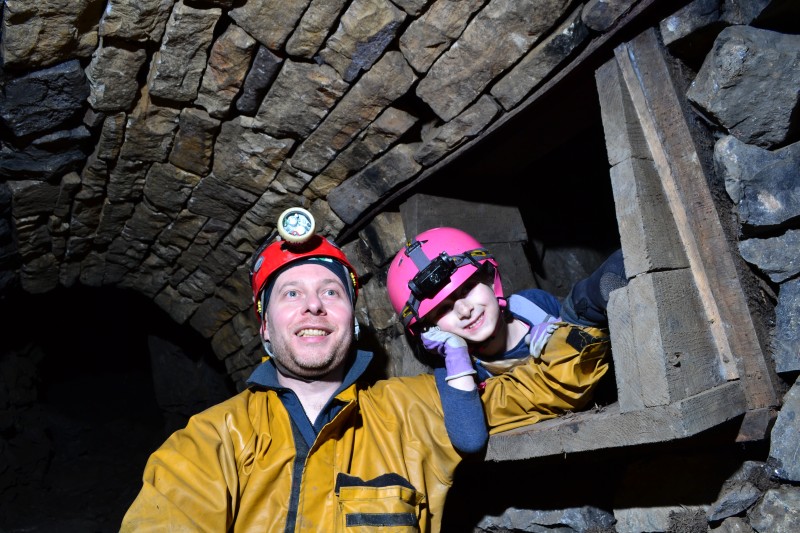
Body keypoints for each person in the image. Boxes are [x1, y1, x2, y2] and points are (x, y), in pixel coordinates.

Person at [120, 209, 610, 532]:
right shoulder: (208, 442)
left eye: (330, 293)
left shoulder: (414, 410)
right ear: (265, 329)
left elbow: (549, 384)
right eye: (291, 294)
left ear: (353, 324)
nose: (313, 305)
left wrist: (587, 309)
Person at [386, 226, 627, 383]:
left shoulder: (532, 305)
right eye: (443, 309)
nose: (464, 310)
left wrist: (561, 326)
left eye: (468, 289)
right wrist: (457, 360)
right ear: (430, 331)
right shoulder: (470, 373)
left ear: (490, 280)